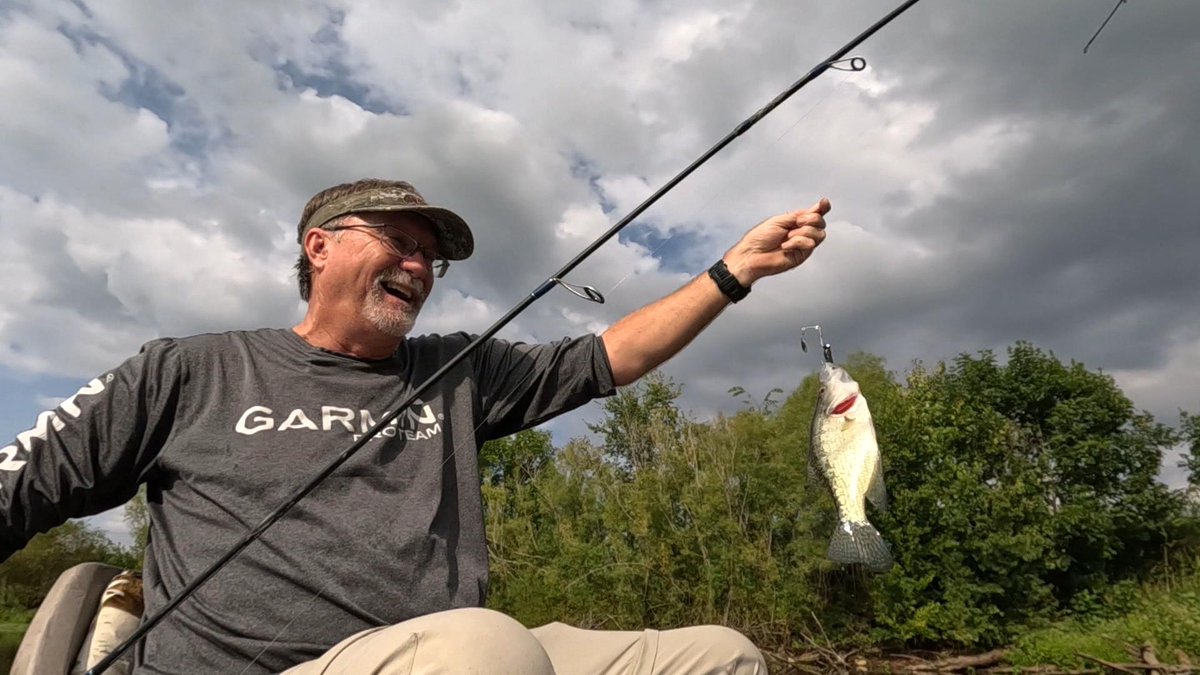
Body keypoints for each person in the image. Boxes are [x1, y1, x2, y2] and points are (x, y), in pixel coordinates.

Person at [0, 178, 829, 674]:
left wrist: (734, 271)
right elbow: (22, 482)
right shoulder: (188, 368)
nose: (418, 266)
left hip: (444, 650)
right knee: (484, 652)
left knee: (720, 655)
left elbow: (611, 355)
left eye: (429, 257)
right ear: (318, 247)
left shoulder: (455, 372)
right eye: (397, 240)